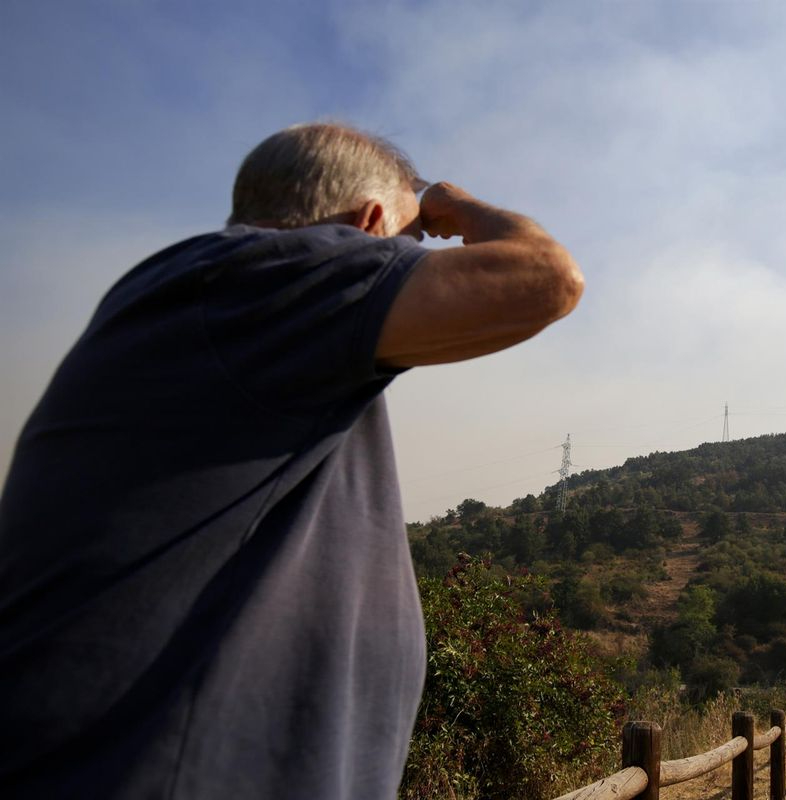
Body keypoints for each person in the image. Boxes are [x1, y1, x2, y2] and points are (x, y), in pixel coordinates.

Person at [0, 122, 584, 799]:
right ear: (368, 224)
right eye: (411, 241)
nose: (413, 260)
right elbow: (546, 278)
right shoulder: (257, 279)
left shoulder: (226, 311)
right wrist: (457, 205)